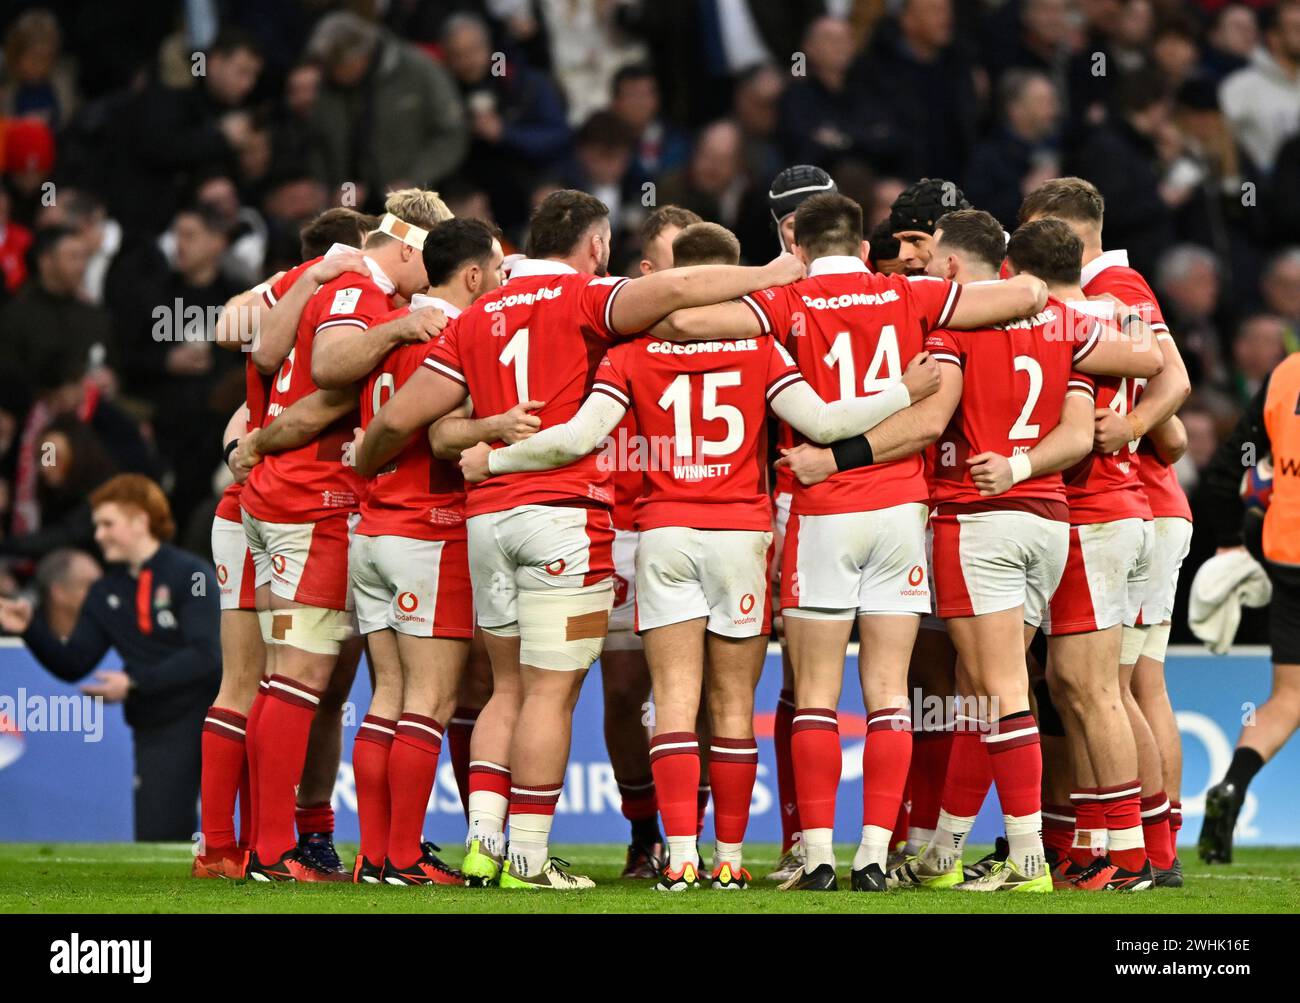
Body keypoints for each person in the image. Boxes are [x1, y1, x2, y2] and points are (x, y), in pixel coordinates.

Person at [462, 219, 940, 891]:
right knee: (734, 707)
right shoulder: (762, 349)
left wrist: (495, 457)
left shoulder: (631, 355)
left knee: (676, 703)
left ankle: (680, 857)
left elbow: (575, 437)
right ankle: (733, 860)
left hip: (662, 533)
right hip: (740, 535)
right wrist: (903, 392)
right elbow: (828, 424)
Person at [357, 188, 804, 889]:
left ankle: (484, 847)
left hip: (484, 520)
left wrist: (366, 456)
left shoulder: (476, 317)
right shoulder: (586, 299)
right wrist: (774, 274)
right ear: (596, 247)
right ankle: (531, 858)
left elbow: (415, 423)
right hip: (563, 517)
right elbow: (680, 290)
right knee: (551, 693)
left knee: (504, 687)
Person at [643, 191, 1050, 891]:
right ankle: (872, 854)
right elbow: (1024, 296)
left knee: (817, 696)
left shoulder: (786, 302)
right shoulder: (907, 293)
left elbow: (681, 321)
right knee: (890, 691)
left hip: (823, 508)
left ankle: (818, 853)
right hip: (900, 511)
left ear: (798, 245)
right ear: (865, 246)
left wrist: (771, 279)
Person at [0, 475, 221, 841]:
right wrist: (29, 628)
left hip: (212, 721)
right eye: (97, 525)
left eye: (107, 524)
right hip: (158, 729)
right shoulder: (105, 592)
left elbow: (208, 656)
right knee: (159, 840)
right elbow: (73, 662)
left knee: (237, 841)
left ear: (139, 520)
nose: (98, 535)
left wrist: (134, 683)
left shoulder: (192, 574)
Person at [1198, 351, 1300, 864]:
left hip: (1289, 554)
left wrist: (1230, 539)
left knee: (1288, 697)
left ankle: (1233, 786)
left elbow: (1232, 463)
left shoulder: (1286, 372)